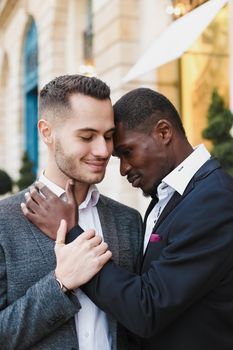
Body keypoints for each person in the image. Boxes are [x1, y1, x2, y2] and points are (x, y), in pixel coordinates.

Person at [25, 87, 233, 350]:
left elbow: (147, 309)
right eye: (87, 136)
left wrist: (71, 233)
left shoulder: (215, 199)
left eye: (127, 152)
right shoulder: (169, 196)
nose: (122, 168)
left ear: (163, 132)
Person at [0, 75, 143, 350]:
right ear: (46, 132)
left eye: (109, 136)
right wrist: (59, 284)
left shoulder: (128, 221)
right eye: (87, 136)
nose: (103, 150)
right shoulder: (5, 221)